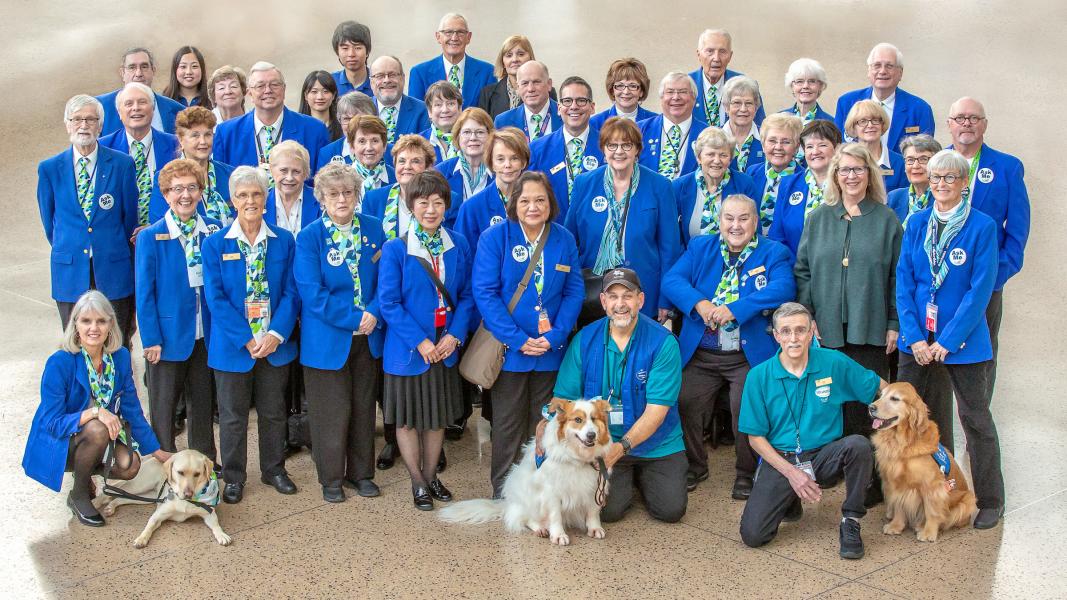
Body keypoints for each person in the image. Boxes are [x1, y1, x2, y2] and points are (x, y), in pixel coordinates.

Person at [894, 149, 1004, 530]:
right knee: (910, 420)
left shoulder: (982, 226)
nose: (940, 184)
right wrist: (915, 336)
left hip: (964, 342)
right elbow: (905, 282)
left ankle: (990, 499)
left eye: (950, 178)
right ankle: (922, 494)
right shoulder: (917, 222)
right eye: (935, 177)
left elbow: (980, 289)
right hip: (918, 342)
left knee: (975, 419)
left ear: (963, 184)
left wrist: (949, 339)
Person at [662, 194, 795, 495]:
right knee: (683, 400)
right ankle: (695, 465)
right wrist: (699, 303)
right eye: (729, 218)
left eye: (743, 218)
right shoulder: (700, 247)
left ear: (755, 221)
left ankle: (746, 472)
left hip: (745, 355)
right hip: (702, 352)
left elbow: (784, 287)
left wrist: (738, 307)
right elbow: (672, 281)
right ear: (720, 221)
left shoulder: (774, 252)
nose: (736, 225)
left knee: (745, 407)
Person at [738, 302, 887, 559]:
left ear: (811, 332)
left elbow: (880, 387)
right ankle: (789, 500)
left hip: (824, 455)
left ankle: (851, 520)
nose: (793, 338)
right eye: (785, 331)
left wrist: (902, 412)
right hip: (782, 458)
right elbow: (755, 438)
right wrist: (792, 474)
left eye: (800, 330)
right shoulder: (758, 376)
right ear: (776, 335)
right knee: (753, 535)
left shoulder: (833, 362)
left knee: (858, 445)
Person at [472, 171, 584, 496]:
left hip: (551, 351)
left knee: (546, 424)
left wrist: (556, 335)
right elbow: (485, 293)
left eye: (540, 200)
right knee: (507, 425)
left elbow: (574, 291)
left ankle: (543, 490)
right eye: (525, 201)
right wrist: (518, 339)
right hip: (510, 353)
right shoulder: (495, 238)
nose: (533, 207)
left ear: (550, 203)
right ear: (513, 204)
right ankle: (505, 492)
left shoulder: (563, 238)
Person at [547, 268, 687, 523]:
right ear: (603, 302)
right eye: (613, 297)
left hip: (657, 443)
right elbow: (563, 399)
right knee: (608, 512)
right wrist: (545, 421)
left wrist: (621, 449)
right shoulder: (584, 339)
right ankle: (626, 480)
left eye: (627, 296)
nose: (620, 304)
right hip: (602, 443)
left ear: (640, 300)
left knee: (670, 510)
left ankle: (642, 477)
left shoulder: (663, 342)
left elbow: (656, 413)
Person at [22, 291, 168, 526]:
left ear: (111, 324)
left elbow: (132, 409)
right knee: (98, 427)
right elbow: (52, 422)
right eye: (86, 321)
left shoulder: (119, 357)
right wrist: (95, 411)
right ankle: (79, 494)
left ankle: (85, 470)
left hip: (95, 440)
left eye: (101, 321)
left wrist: (157, 451)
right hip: (61, 442)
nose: (94, 328)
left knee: (129, 465)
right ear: (75, 325)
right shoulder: (60, 362)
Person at [378, 170, 475, 510]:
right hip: (409, 348)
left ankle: (432, 475)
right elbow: (389, 302)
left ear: (447, 205)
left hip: (445, 345)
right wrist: (420, 341)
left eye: (437, 202)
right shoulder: (396, 248)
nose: (431, 209)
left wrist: (455, 335)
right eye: (423, 203)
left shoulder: (458, 244)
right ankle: (417, 482)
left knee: (435, 418)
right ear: (411, 206)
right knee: (406, 419)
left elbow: (466, 296)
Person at [202, 166, 299, 503]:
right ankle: (233, 476)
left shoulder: (284, 241)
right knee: (232, 417)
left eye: (256, 194)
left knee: (274, 411)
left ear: (266, 197)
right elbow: (215, 298)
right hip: (233, 347)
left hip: (274, 345)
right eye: (242, 195)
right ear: (232, 200)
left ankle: (274, 469)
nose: (250, 201)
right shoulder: (215, 244)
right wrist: (247, 338)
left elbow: (291, 292)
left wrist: (275, 333)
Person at [794, 143, 901, 439]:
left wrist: (894, 323)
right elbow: (803, 271)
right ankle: (833, 466)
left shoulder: (886, 220)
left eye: (858, 169)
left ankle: (868, 475)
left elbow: (897, 277)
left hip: (871, 328)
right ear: (835, 175)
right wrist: (808, 315)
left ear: (869, 174)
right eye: (844, 170)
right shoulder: (818, 218)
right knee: (828, 398)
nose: (851, 176)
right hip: (826, 328)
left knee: (868, 403)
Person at [294, 162, 386, 502]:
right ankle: (331, 478)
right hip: (328, 340)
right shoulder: (309, 237)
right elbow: (312, 293)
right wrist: (355, 318)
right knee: (330, 412)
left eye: (348, 192)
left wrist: (373, 313)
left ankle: (361, 474)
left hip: (368, 338)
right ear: (321, 198)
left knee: (363, 409)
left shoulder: (374, 229)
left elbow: (385, 280)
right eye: (333, 194)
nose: (342, 199)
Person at [135, 158, 220, 465]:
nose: (186, 195)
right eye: (177, 189)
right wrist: (151, 339)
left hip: (205, 333)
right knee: (164, 404)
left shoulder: (213, 230)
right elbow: (145, 294)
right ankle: (163, 463)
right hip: (167, 337)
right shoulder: (151, 237)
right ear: (166, 194)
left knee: (202, 401)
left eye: (192, 188)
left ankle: (203, 460)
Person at [38, 95, 138, 344]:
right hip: (70, 269)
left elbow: (129, 218)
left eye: (90, 119)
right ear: (67, 124)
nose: (84, 125)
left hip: (113, 268)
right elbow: (50, 222)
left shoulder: (122, 164)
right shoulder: (50, 169)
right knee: (76, 343)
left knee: (117, 341)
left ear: (100, 125)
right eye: (77, 119)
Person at [945, 97, 1030, 381]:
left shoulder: (1007, 167)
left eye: (973, 118)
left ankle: (977, 424)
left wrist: (997, 274)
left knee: (983, 353)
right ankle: (938, 424)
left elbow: (1018, 230)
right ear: (949, 125)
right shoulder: (935, 162)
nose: (966, 123)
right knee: (936, 351)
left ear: (985, 125)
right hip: (940, 280)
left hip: (985, 281)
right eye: (960, 118)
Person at [566, 118, 681, 323]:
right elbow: (568, 241)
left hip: (643, 291)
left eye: (627, 145)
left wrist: (666, 299)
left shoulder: (660, 186)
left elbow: (669, 249)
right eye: (612, 145)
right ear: (603, 149)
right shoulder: (584, 184)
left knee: (639, 352)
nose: (619, 151)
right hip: (593, 291)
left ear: (637, 149)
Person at [213, 62, 330, 175]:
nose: (268, 90)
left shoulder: (314, 130)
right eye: (260, 86)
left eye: (274, 85)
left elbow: (322, 184)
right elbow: (221, 185)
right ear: (249, 93)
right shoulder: (226, 133)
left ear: (284, 89)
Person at [99, 82, 181, 229]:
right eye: (128, 103)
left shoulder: (176, 145)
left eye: (142, 102)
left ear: (153, 108)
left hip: (165, 232)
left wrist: (154, 227)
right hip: (119, 236)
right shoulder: (102, 148)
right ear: (119, 112)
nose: (135, 108)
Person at [834, 43, 934, 152]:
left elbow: (925, 154)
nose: (882, 71)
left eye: (889, 66)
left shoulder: (920, 109)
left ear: (900, 73)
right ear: (869, 71)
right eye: (877, 65)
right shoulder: (846, 103)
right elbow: (838, 148)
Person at [148, 106, 236, 226]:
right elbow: (160, 222)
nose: (203, 141)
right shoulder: (165, 177)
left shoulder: (231, 174)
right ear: (180, 139)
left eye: (208, 135)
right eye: (195, 135)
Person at [528, 76, 603, 214]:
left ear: (592, 108)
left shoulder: (607, 147)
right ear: (559, 108)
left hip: (595, 232)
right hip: (553, 230)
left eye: (581, 100)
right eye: (567, 101)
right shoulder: (537, 149)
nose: (574, 106)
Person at [672, 127, 759, 246]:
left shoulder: (745, 184)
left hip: (735, 257)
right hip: (692, 258)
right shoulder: (679, 186)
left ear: (730, 159)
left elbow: (753, 230)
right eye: (710, 154)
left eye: (723, 155)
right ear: (699, 158)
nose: (717, 160)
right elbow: (671, 236)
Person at [363, 134, 460, 239]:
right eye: (402, 161)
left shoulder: (449, 199)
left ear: (428, 167)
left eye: (415, 161)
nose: (407, 166)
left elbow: (452, 242)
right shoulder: (373, 199)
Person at [768, 119, 843, 256]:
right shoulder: (788, 184)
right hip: (794, 270)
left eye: (822, 145)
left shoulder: (846, 185)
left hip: (836, 272)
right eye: (809, 146)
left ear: (837, 148)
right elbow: (777, 237)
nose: (815, 151)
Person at [455, 127, 528, 249]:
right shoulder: (471, 208)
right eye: (500, 159)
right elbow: (463, 258)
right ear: (491, 163)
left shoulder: (537, 202)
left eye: (514, 158)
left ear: (524, 162)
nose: (507, 165)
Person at [408, 13, 496, 109]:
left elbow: (490, 116)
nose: (454, 38)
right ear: (438, 37)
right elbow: (416, 114)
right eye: (448, 32)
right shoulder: (419, 73)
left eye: (460, 32)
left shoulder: (487, 72)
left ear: (469, 37)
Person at [96, 47, 185, 135]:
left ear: (153, 71)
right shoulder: (99, 106)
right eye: (132, 67)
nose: (138, 73)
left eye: (144, 67)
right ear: (122, 73)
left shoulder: (177, 111)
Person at [637, 72, 708, 181]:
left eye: (683, 92)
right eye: (670, 92)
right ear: (661, 98)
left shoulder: (708, 134)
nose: (676, 97)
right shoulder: (639, 130)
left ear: (694, 98)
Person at [690, 29, 766, 128]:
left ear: (730, 56)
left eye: (722, 52)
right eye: (710, 51)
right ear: (699, 54)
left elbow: (760, 128)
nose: (716, 58)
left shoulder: (746, 85)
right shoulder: (686, 85)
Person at [746, 113, 802, 235]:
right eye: (772, 141)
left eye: (786, 142)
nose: (778, 147)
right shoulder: (751, 173)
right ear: (763, 144)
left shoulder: (805, 180)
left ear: (797, 147)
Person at [477, 35, 556, 120]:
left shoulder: (547, 91)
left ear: (530, 58)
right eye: (509, 55)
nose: (514, 59)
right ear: (503, 62)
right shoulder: (487, 93)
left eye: (521, 54)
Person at [843, 100, 907, 192]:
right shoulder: (843, 162)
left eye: (875, 120)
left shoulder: (900, 163)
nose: (870, 125)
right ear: (853, 127)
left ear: (882, 125)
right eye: (863, 121)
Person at [435, 107, 494, 200]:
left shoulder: (501, 171)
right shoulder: (440, 173)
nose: (473, 138)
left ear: (490, 136)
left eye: (480, 132)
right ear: (458, 136)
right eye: (467, 132)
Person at [493, 61, 561, 141]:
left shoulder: (566, 116)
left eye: (536, 82)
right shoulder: (503, 122)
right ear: (518, 88)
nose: (530, 89)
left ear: (549, 84)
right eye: (525, 83)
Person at [371, 56, 431, 144]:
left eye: (392, 75)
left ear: (403, 78)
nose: (387, 80)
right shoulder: (361, 110)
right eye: (380, 76)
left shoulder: (423, 110)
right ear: (371, 82)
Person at [265, 140, 320, 237]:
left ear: (305, 173)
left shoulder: (321, 200)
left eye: (296, 171)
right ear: (272, 171)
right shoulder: (261, 203)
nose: (289, 178)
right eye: (283, 170)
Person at [315, 91, 381, 170]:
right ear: (339, 120)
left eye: (359, 118)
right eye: (346, 119)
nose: (352, 124)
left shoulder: (389, 152)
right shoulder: (327, 153)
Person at [887, 134, 941, 224]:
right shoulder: (894, 197)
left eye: (923, 159)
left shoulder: (943, 198)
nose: (915, 166)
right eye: (910, 160)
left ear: (936, 164)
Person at [589, 58, 656, 129]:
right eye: (620, 86)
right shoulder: (594, 123)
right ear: (612, 90)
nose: (626, 92)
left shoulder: (656, 122)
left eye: (633, 86)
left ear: (641, 91)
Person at [721, 76, 764, 172]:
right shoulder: (713, 137)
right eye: (737, 103)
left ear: (756, 107)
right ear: (726, 107)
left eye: (749, 103)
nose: (743, 109)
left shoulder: (766, 138)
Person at [345, 115, 396, 193]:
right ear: (352, 146)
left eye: (375, 141)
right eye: (362, 141)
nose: (369, 148)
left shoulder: (396, 178)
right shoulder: (341, 179)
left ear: (384, 145)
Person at [779, 58, 833, 124]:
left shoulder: (832, 123)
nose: (805, 86)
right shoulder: (778, 119)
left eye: (812, 81)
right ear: (792, 86)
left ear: (820, 86)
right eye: (799, 81)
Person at [419, 81, 463, 163]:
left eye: (450, 104)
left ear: (460, 108)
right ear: (430, 111)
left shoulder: (471, 139)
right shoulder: (418, 143)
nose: (445, 110)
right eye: (438, 104)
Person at [330, 20, 374, 97]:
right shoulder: (329, 83)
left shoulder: (379, 82)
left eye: (357, 48)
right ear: (337, 52)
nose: (351, 54)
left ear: (367, 51)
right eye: (345, 48)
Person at [299, 70, 343, 141]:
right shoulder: (297, 127)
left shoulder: (343, 127)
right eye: (314, 92)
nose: (320, 97)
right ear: (306, 95)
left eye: (325, 91)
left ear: (334, 95)